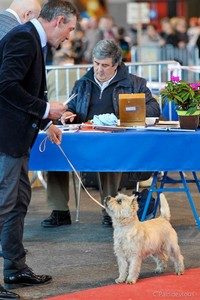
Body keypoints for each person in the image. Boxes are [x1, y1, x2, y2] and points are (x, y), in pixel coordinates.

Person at [0, 1, 78, 299]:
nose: (69, 36)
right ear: (58, 21)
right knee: (4, 205)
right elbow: (6, 86)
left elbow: (21, 90)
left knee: (17, 202)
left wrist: (46, 120)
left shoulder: (32, 39)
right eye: (69, 29)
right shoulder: (24, 37)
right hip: (6, 139)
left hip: (17, 138)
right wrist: (47, 108)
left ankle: (15, 268)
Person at [54, 39, 160, 227]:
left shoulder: (135, 83)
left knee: (111, 155)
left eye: (105, 65)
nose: (99, 69)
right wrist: (67, 114)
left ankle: (109, 211)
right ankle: (59, 210)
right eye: (96, 63)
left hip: (117, 142)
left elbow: (154, 108)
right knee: (53, 152)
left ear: (116, 65)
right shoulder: (82, 84)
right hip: (84, 140)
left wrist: (134, 113)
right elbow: (70, 107)